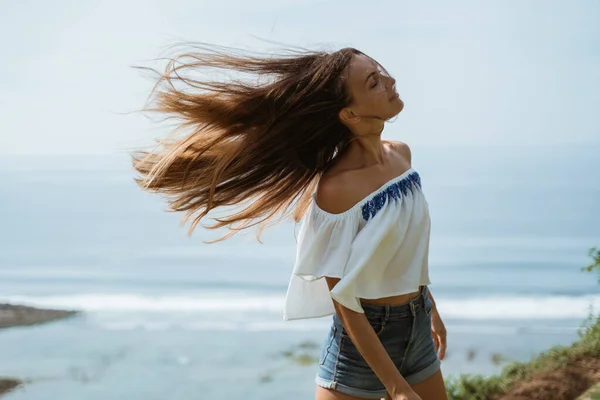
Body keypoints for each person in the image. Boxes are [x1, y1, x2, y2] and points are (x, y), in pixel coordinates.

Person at [132, 43, 447, 400]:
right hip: (362, 345)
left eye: (382, 72)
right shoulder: (336, 189)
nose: (390, 81)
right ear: (350, 114)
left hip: (417, 321)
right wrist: (396, 388)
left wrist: (430, 309)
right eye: (374, 82)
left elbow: (403, 247)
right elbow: (344, 302)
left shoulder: (401, 155)